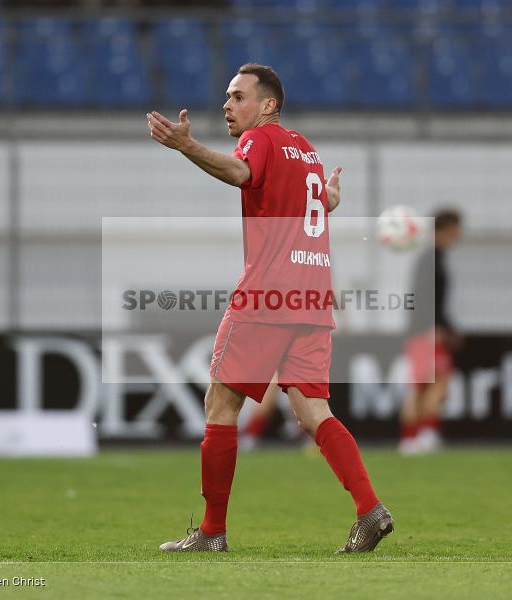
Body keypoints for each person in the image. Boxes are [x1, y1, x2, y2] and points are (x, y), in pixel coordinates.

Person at [146, 63, 393, 553]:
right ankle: (370, 510)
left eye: (238, 96)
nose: (227, 105)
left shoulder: (259, 141)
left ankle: (212, 532)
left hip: (267, 296)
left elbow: (240, 173)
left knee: (221, 403)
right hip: (312, 297)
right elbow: (311, 204)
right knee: (312, 410)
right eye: (227, 96)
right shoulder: (307, 150)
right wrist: (331, 198)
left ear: (268, 105)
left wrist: (184, 146)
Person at [398, 209, 462, 455]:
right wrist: (434, 328)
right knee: (431, 385)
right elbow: (424, 299)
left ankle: (415, 438)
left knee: (426, 384)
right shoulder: (431, 260)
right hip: (426, 333)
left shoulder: (432, 258)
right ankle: (419, 436)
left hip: (424, 330)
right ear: (447, 230)